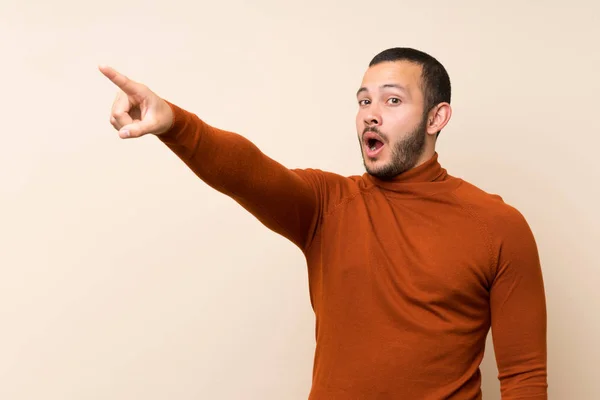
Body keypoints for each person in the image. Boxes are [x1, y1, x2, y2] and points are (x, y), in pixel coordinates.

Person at [100, 47, 548, 399]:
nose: (371, 113)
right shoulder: (327, 205)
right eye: (364, 101)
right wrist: (176, 125)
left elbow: (524, 377)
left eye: (392, 100)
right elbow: (248, 172)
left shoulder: (498, 226)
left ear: (437, 117)